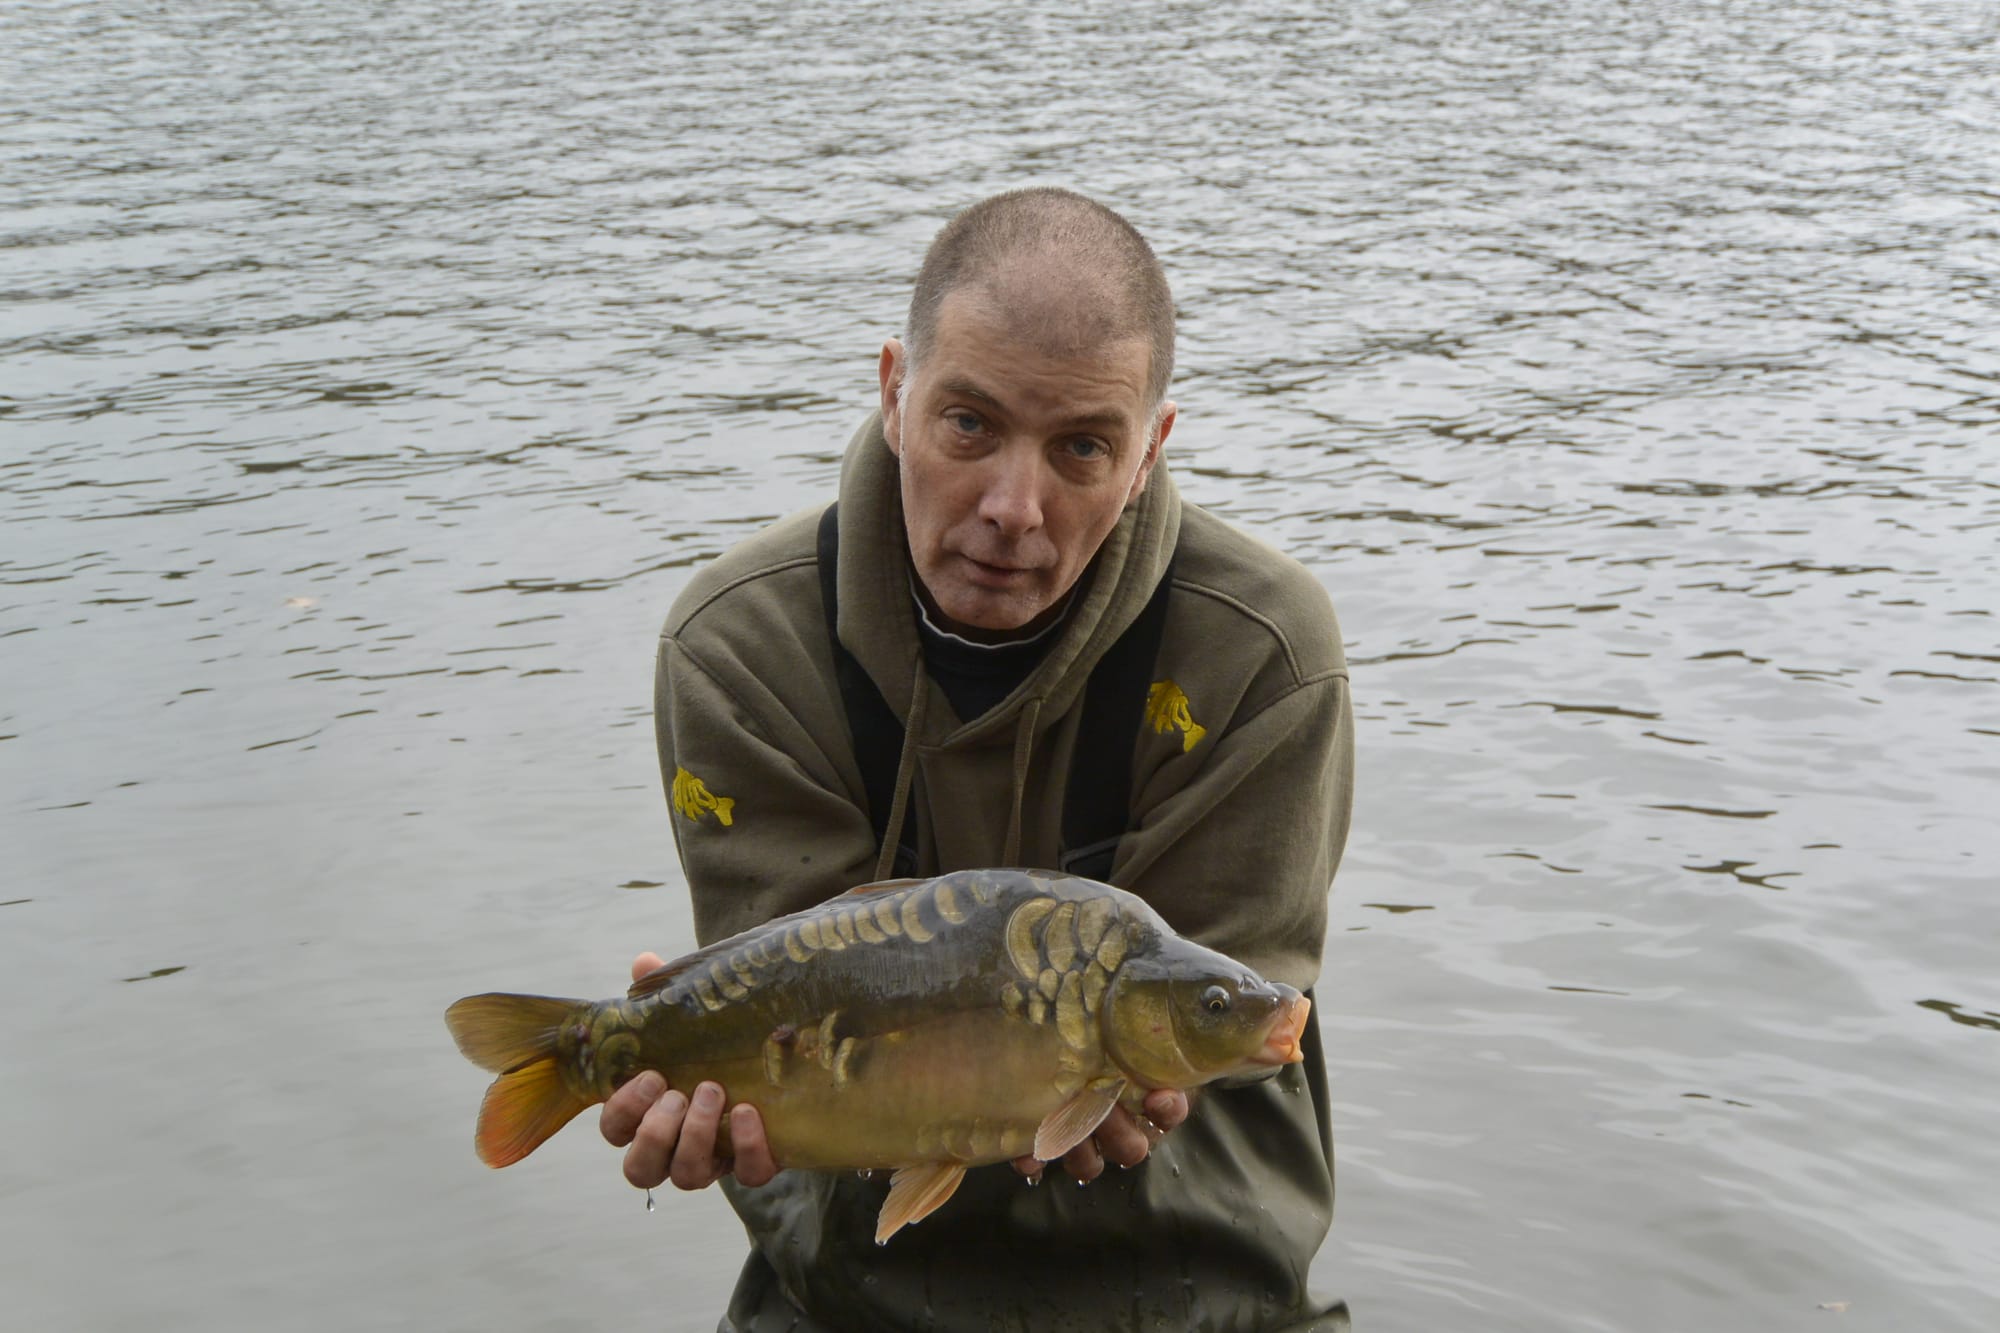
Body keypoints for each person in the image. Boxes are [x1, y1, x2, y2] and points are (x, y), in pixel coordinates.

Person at [602, 187, 1354, 1331]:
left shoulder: (1260, 651)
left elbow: (1222, 1026)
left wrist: (1108, 1080)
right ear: (895, 392)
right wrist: (700, 1081)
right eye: (968, 424)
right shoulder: (735, 647)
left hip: (1196, 1285)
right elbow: (789, 1027)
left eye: (1082, 449)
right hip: (850, 1288)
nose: (1014, 507)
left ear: (1148, 450)